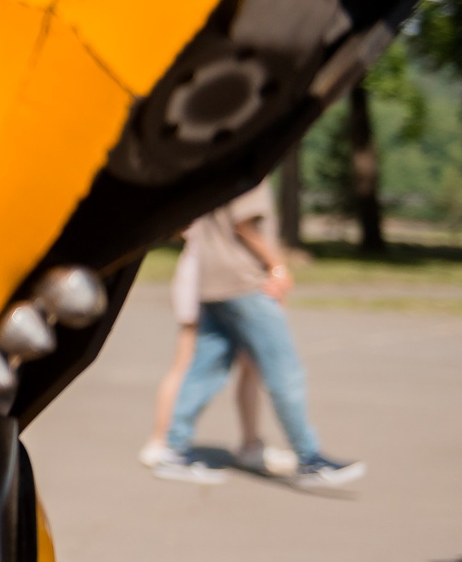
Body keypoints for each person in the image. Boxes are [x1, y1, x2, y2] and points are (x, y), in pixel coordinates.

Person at [156, 179, 364, 492]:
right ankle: (308, 457)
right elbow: (244, 223)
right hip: (243, 283)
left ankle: (174, 448)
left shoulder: (220, 164)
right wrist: (277, 264)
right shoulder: (251, 169)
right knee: (284, 369)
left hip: (212, 281)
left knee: (206, 368)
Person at [141, 238, 283, 482]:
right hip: (215, 276)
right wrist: (276, 264)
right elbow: (242, 226)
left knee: (249, 365)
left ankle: (251, 443)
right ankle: (162, 441)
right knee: (188, 361)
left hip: (226, 276)